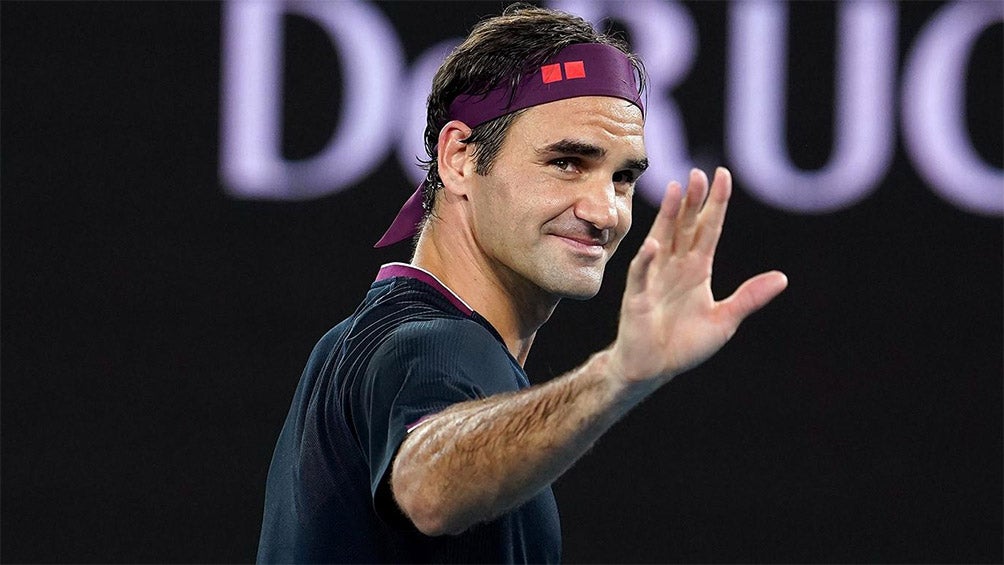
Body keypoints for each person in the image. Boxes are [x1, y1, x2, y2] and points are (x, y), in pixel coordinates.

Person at [256, 4, 788, 563]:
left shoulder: (356, 340)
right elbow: (428, 487)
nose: (605, 211)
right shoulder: (434, 344)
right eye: (566, 163)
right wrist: (616, 376)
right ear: (459, 159)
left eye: (623, 177)